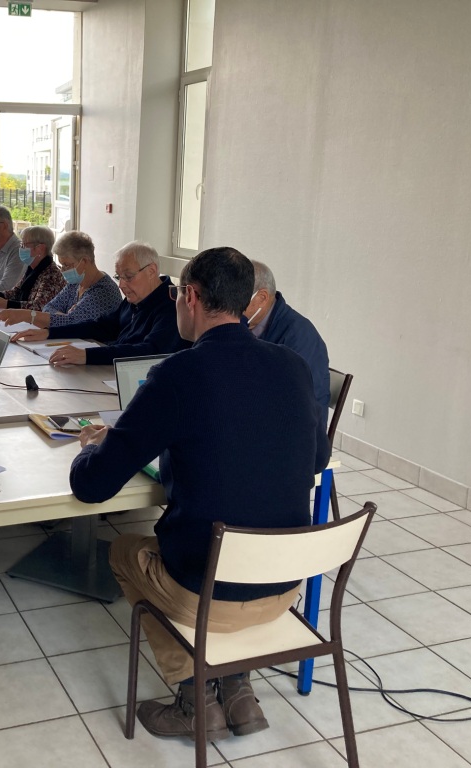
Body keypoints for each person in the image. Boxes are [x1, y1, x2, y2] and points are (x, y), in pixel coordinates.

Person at [69, 246, 331, 743]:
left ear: (189, 296)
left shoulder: (178, 372)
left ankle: (195, 699)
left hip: (211, 593)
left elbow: (92, 486)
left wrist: (92, 446)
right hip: (282, 587)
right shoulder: (294, 365)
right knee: (228, 544)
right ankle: (237, 690)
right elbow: (317, 460)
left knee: (124, 550)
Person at [10, 241, 188, 366]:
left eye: (128, 277)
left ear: (151, 271)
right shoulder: (136, 298)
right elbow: (101, 327)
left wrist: (87, 355)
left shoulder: (172, 305)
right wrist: (49, 333)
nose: (121, 285)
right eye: (119, 277)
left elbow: (149, 352)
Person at [244, 260, 330, 427]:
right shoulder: (248, 326)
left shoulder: (300, 336)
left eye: (240, 297)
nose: (233, 304)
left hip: (296, 429)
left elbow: (296, 403)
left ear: (262, 298)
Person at [0, 230, 121, 329]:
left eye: (67, 265)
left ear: (84, 261)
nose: (63, 270)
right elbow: (48, 307)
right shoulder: (75, 284)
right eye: (62, 265)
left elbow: (72, 324)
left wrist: (31, 316)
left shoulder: (103, 291)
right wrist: (64, 317)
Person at [0, 225, 65, 312]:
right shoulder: (32, 268)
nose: (21, 248)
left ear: (40, 248)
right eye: (21, 244)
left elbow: (39, 307)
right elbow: (16, 292)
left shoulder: (51, 275)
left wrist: (6, 304)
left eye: (24, 245)